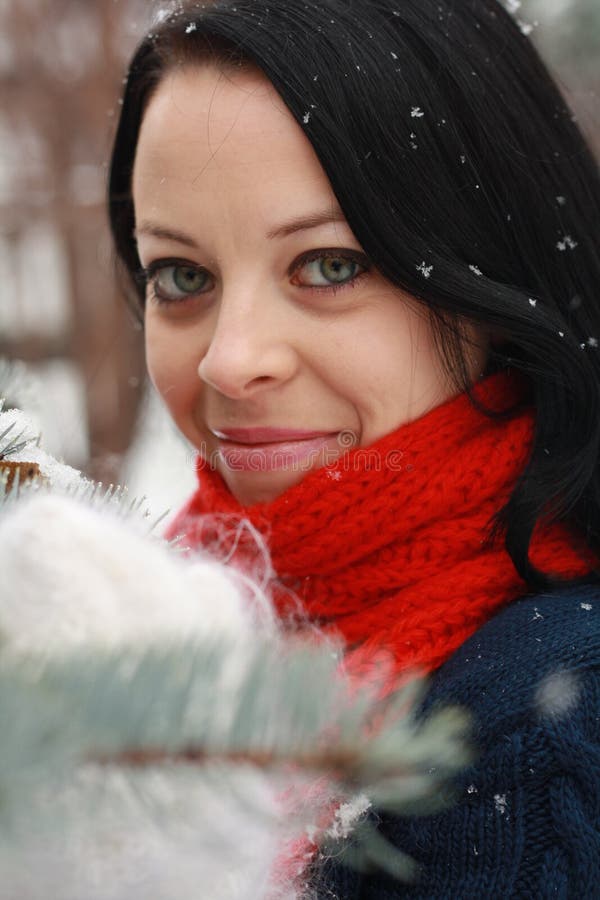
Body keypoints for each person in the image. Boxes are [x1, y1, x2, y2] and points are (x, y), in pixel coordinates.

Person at [108, 0, 600, 895]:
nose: (230, 359)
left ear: (493, 271)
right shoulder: (132, 639)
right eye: (182, 275)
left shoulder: (545, 733)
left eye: (329, 265)